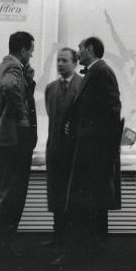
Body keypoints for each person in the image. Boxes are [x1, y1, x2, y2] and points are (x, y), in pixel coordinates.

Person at [60, 36, 122, 264]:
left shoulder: (102, 72)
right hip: (89, 146)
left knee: (90, 199)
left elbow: (112, 109)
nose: (78, 52)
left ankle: (89, 252)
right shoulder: (95, 72)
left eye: (80, 48)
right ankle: (91, 250)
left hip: (94, 149)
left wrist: (101, 144)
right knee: (90, 201)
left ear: (91, 49)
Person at [0, 31, 37, 260]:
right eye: (31, 51)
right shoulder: (13, 68)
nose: (32, 55)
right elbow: (10, 87)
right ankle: (2, 247)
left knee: (1, 193)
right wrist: (23, 119)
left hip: (3, 140)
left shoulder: (3, 65)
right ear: (24, 50)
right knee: (11, 194)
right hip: (14, 140)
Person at [44, 48, 82, 252]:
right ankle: (57, 236)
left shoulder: (82, 86)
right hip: (55, 150)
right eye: (58, 60)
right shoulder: (50, 89)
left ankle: (71, 240)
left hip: (74, 152)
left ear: (75, 63)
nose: (60, 64)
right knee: (56, 195)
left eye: (64, 60)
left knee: (72, 196)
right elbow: (53, 118)